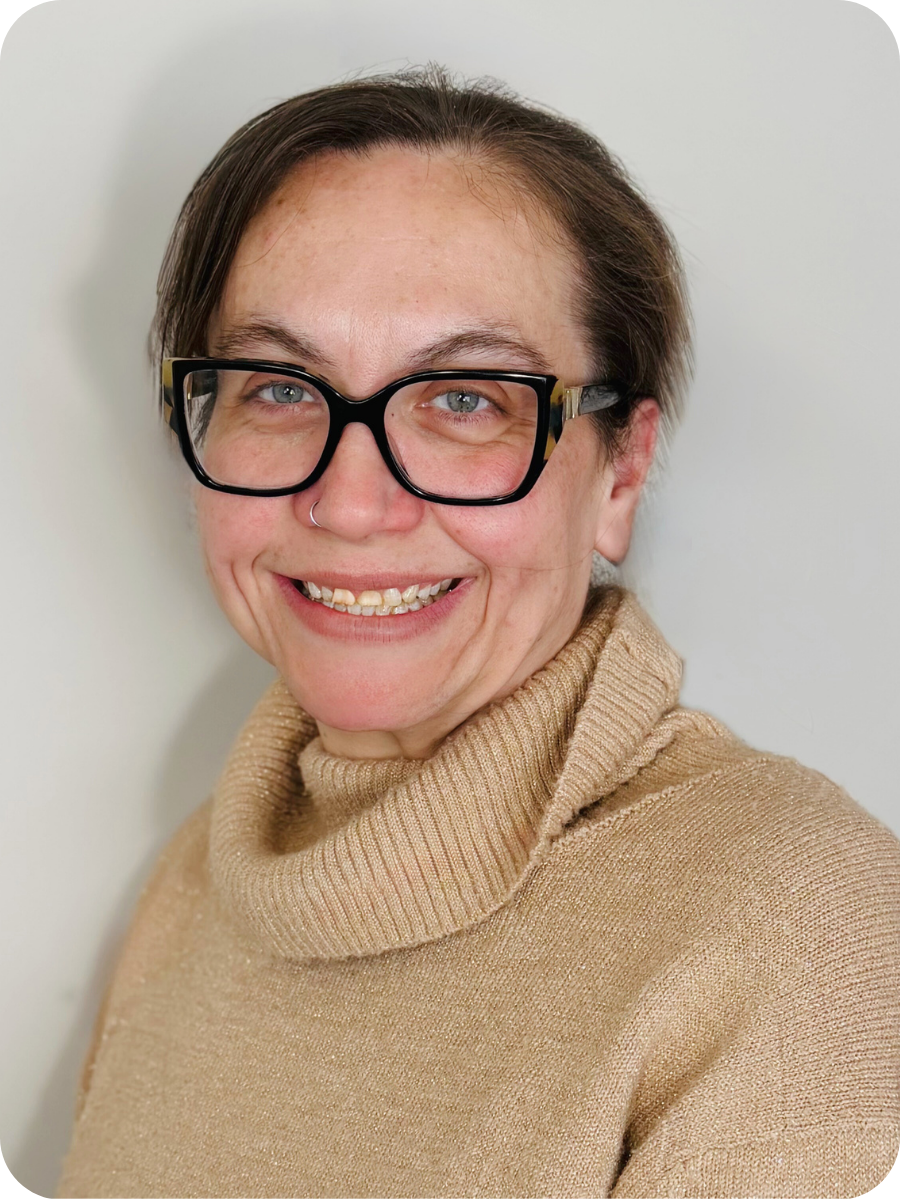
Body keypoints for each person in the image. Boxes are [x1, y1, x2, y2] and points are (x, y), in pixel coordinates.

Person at [56, 67, 900, 1200]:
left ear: (622, 468)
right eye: (278, 387)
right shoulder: (194, 891)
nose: (352, 504)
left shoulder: (800, 925)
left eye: (465, 400)